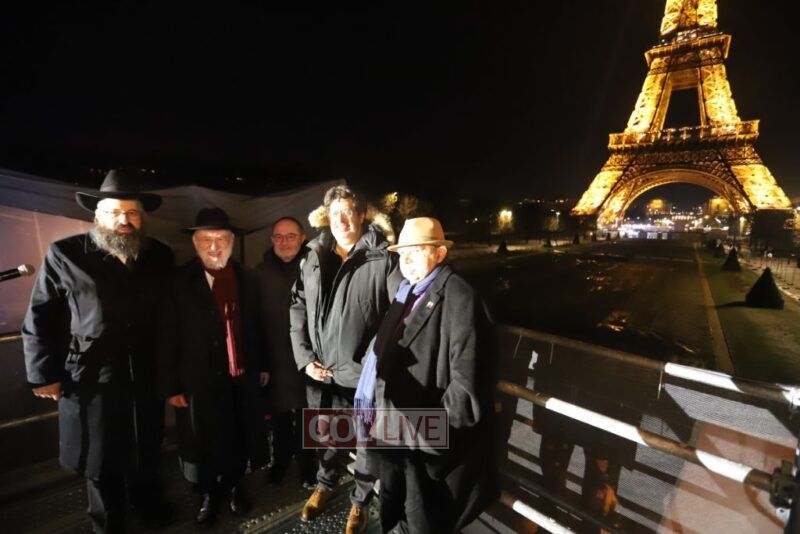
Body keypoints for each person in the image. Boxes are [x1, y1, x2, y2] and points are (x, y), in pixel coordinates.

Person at [22, 169, 175, 533]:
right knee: (99, 455)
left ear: (142, 217)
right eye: (115, 212)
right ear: (97, 215)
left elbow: (170, 315)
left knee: (145, 444)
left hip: (145, 373)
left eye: (133, 212)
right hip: (92, 376)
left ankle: (147, 505)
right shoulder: (66, 254)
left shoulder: (159, 255)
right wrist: (43, 374)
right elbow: (41, 315)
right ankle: (108, 522)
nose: (125, 220)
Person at [355, 217, 496, 533]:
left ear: (440, 253)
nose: (406, 261)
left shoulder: (460, 298)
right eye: (402, 253)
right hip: (397, 442)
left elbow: (468, 388)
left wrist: (424, 435)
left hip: (427, 453)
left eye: (416, 251)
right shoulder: (406, 292)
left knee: (423, 522)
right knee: (400, 515)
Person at [290, 185, 398, 534]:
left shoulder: (383, 258)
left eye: (349, 212)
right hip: (320, 373)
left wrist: (369, 362)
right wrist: (304, 357)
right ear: (327, 217)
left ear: (362, 214)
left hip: (362, 377)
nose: (342, 220)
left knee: (366, 443)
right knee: (325, 435)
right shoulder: (313, 254)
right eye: (335, 213)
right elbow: (297, 306)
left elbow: (397, 316)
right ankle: (325, 485)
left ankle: (360, 502)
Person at [157, 208, 268, 526]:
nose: (215, 246)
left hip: (240, 377)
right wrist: (171, 385)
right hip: (197, 380)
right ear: (195, 242)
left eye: (221, 238)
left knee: (238, 436)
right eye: (207, 239)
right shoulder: (178, 281)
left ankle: (234, 487)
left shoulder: (247, 277)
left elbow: (257, 326)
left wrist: (262, 365)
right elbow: (166, 336)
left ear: (231, 241)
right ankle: (208, 494)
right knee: (202, 440)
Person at [255, 216, 316, 486]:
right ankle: (279, 460)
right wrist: (261, 362)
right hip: (275, 358)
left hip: (309, 356)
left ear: (302, 238)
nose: (284, 242)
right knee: (279, 415)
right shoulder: (260, 274)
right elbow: (254, 321)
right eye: (278, 237)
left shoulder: (315, 267)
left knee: (307, 415)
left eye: (290, 236)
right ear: (271, 240)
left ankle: (308, 466)